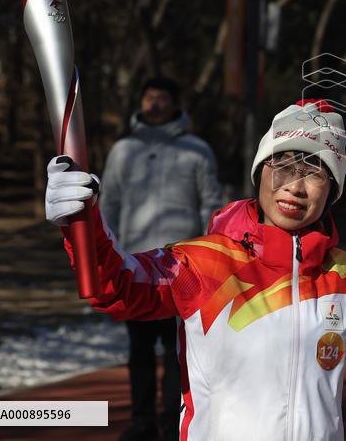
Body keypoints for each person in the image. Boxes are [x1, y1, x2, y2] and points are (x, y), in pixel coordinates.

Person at [45, 98, 346, 441]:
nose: (295, 187)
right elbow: (112, 285)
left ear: (331, 191)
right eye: (284, 166)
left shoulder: (343, 275)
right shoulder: (203, 262)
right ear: (261, 170)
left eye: (315, 173)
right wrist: (82, 222)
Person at [99, 77, 223, 441]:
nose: (155, 104)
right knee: (139, 349)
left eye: (162, 98)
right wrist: (108, 254)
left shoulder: (197, 150)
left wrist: (211, 257)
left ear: (175, 104)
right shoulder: (123, 150)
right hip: (134, 265)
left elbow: (211, 205)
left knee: (176, 350)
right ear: (141, 101)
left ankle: (173, 422)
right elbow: (109, 205)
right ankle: (141, 422)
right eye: (149, 97)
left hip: (183, 268)